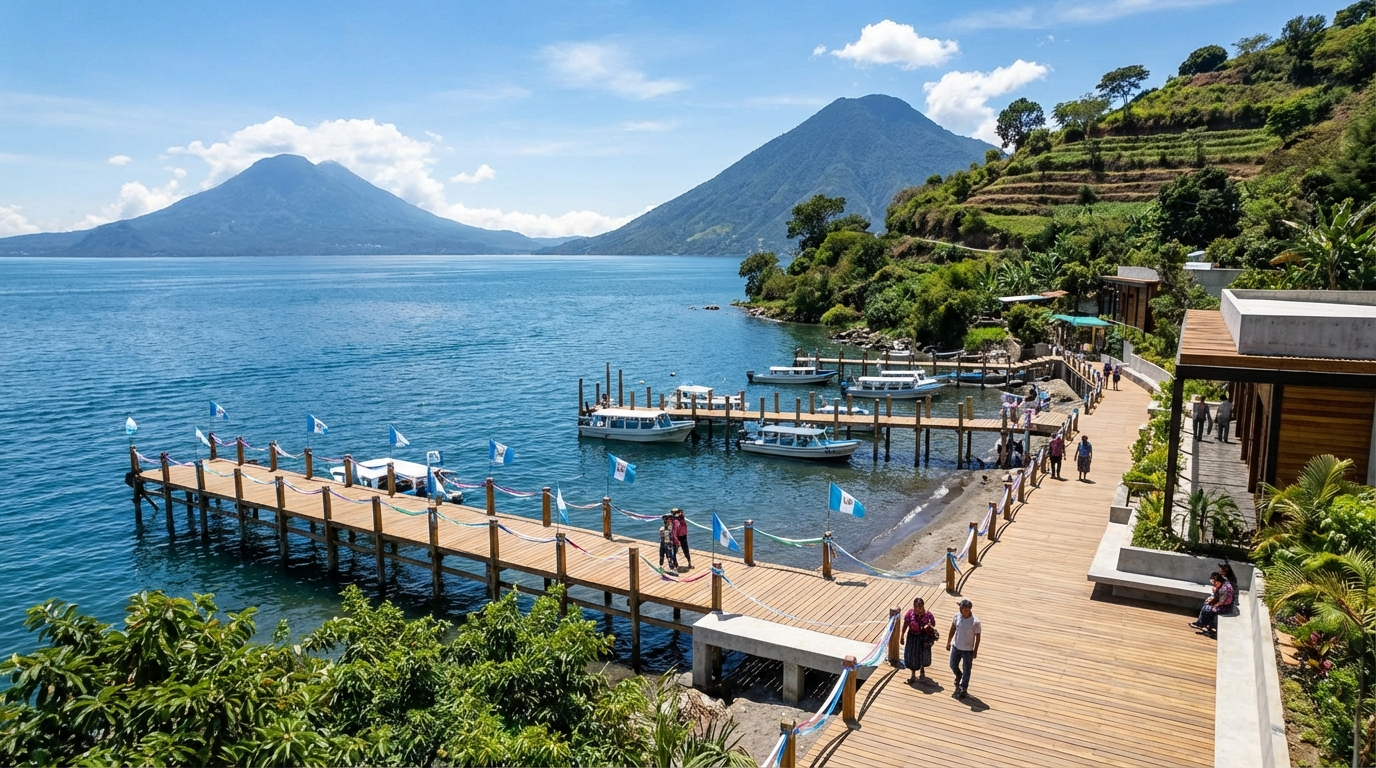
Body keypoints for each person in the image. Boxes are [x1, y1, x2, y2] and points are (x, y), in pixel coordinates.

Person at [946, 598, 981, 698]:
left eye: (965, 610)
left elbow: (978, 637)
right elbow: (952, 629)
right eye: (961, 609)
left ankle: (963, 688)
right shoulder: (957, 616)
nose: (963, 611)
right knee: (952, 665)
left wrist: (975, 650)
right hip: (956, 646)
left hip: (968, 650)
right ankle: (958, 675)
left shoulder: (975, 622)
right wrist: (948, 641)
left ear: (969, 609)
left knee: (967, 669)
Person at [901, 596, 936, 683]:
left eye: (921, 606)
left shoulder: (928, 614)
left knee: (923, 655)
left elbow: (933, 623)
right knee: (912, 656)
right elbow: (905, 624)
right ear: (914, 606)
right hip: (912, 637)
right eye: (917, 607)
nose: (919, 609)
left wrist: (929, 625)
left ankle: (922, 671)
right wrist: (901, 636)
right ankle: (913, 675)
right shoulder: (910, 614)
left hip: (923, 637)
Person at [1191, 572, 1234, 638]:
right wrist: (1211, 600)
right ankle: (1201, 622)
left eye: (1215, 583)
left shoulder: (1224, 589)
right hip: (1219, 600)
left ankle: (1209, 629)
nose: (1214, 585)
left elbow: (1221, 602)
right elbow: (1217, 596)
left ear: (1219, 581)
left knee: (1210, 610)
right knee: (1206, 605)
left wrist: (1212, 602)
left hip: (1226, 606)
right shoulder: (1222, 583)